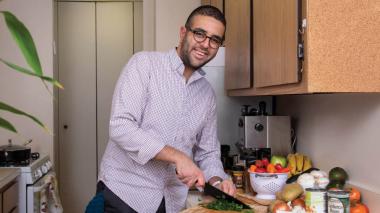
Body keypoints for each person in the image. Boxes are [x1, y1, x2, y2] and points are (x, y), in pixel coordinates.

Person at [97, 5, 235, 213]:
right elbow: (120, 127)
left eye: (215, 39)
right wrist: (178, 157)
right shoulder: (144, 64)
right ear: (183, 33)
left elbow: (208, 152)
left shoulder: (207, 95)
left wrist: (217, 181)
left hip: (171, 201)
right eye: (199, 34)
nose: (206, 44)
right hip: (125, 194)